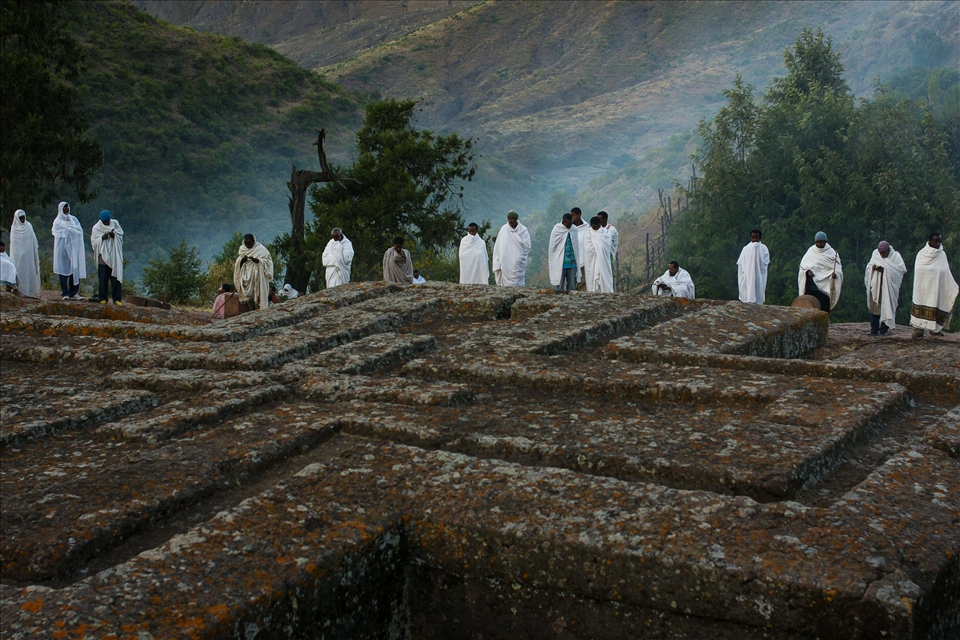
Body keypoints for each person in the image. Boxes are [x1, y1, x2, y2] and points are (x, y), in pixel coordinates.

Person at [910, 233, 958, 338]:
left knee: (937, 304)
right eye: (935, 241)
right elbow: (919, 270)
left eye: (939, 241)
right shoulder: (922, 254)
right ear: (929, 241)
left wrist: (952, 285)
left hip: (936, 287)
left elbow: (945, 271)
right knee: (921, 306)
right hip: (923, 288)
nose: (938, 243)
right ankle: (919, 330)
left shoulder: (942, 254)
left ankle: (935, 330)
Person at [864, 240, 907, 336]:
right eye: (881, 252)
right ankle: (874, 329)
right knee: (875, 307)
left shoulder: (895, 256)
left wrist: (884, 269)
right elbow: (869, 266)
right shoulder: (875, 254)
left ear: (888, 250)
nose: (882, 254)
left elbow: (900, 270)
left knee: (887, 305)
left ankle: (884, 330)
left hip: (889, 287)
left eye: (884, 252)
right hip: (876, 286)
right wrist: (873, 268)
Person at [798, 231, 842, 313]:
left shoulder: (832, 253)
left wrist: (835, 275)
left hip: (824, 288)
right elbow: (803, 267)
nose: (818, 244)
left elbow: (838, 269)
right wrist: (807, 272)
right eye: (817, 242)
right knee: (809, 309)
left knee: (823, 308)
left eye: (821, 242)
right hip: (811, 287)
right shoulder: (811, 251)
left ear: (825, 242)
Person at [52, 201, 86, 300]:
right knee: (63, 271)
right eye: (64, 209)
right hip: (62, 251)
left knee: (74, 270)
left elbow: (79, 231)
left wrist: (71, 231)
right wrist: (70, 231)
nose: (66, 211)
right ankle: (65, 293)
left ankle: (74, 292)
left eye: (67, 209)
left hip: (73, 250)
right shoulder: (57, 221)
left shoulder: (73, 219)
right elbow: (57, 232)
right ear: (60, 210)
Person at [90, 210, 124, 305]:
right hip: (103, 257)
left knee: (115, 277)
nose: (107, 223)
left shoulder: (115, 224)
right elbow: (94, 242)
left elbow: (120, 236)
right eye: (105, 222)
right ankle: (103, 298)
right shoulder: (96, 228)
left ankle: (117, 299)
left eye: (108, 221)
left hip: (114, 256)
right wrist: (102, 238)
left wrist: (114, 236)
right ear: (101, 221)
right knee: (103, 278)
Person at [234, 233, 274, 310]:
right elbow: (238, 262)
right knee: (248, 296)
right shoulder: (242, 249)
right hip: (245, 275)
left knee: (259, 294)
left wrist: (258, 260)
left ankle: (258, 309)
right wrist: (242, 261)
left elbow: (269, 262)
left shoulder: (261, 249)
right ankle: (250, 310)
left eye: (249, 243)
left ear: (253, 241)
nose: (248, 245)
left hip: (258, 276)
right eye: (246, 243)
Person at [492, 210, 531, 287]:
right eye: (509, 219)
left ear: (516, 219)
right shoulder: (503, 229)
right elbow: (499, 245)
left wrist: (518, 256)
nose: (510, 220)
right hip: (505, 260)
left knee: (517, 281)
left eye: (512, 219)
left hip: (517, 261)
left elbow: (527, 245)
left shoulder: (523, 230)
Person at [9, 209, 40, 298]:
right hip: (17, 257)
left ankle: (31, 292)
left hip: (28, 256)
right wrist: (19, 253)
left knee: (29, 273)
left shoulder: (29, 226)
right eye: (20, 218)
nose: (22, 220)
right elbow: (14, 244)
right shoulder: (14, 228)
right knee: (19, 272)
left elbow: (33, 241)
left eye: (23, 218)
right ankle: (18, 291)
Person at [548, 213, 581, 292]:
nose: (569, 226)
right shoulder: (557, 229)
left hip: (572, 262)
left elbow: (576, 246)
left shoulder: (574, 229)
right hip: (560, 261)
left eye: (571, 224)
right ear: (563, 221)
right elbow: (552, 247)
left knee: (572, 286)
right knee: (559, 286)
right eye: (568, 224)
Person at [737, 229, 771, 304]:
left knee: (758, 290)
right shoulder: (746, 249)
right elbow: (741, 264)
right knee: (749, 290)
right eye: (753, 237)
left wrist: (758, 267)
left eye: (757, 237)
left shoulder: (764, 248)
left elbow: (766, 263)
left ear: (759, 238)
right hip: (748, 276)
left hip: (759, 275)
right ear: (750, 238)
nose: (755, 240)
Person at [583, 216, 614, 293]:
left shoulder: (606, 233)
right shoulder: (588, 233)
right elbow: (587, 247)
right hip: (592, 261)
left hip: (603, 261)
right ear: (591, 225)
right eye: (594, 227)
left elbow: (606, 246)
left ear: (600, 224)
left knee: (605, 278)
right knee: (592, 278)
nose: (596, 229)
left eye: (597, 227)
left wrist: (599, 249)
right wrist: (597, 249)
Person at [570, 207, 588, 291]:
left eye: (573, 215)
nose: (572, 217)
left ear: (579, 215)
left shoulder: (586, 228)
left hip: (584, 259)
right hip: (572, 258)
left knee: (583, 280)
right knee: (572, 280)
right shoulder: (569, 227)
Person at [597, 211, 619, 275]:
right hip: (598, 258)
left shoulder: (612, 230)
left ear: (604, 219)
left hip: (609, 257)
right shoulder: (596, 229)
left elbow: (609, 242)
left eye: (599, 218)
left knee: (609, 276)